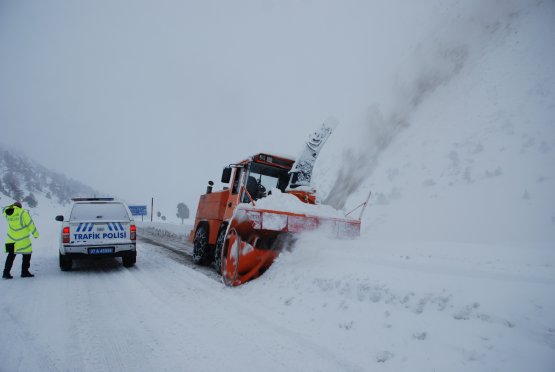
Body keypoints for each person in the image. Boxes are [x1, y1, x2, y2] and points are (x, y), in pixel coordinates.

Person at [2, 202, 39, 279]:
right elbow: (30, 224)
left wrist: (10, 206)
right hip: (23, 239)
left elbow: (4, 209)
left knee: (10, 256)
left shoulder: (7, 212)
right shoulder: (23, 212)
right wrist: (35, 234)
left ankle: (6, 273)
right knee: (27, 254)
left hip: (11, 239)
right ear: (20, 207)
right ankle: (24, 272)